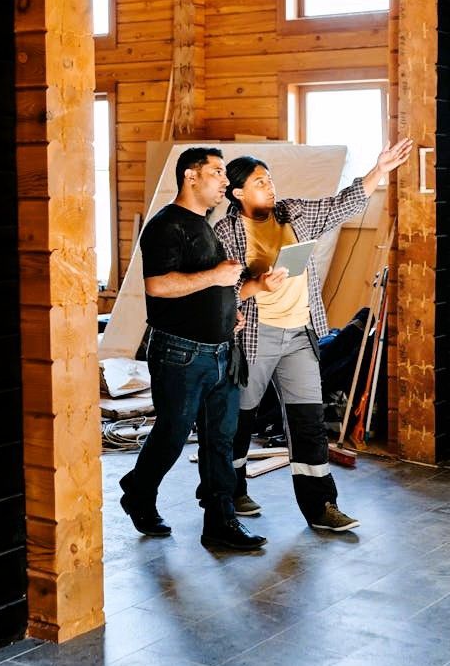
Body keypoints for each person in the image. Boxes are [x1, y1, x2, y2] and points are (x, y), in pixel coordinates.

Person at [215, 138, 412, 531]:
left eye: (269, 179)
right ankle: (230, 490)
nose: (269, 187)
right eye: (258, 182)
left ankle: (321, 507)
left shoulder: (295, 213)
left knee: (307, 420)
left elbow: (343, 203)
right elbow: (219, 288)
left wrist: (380, 170)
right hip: (255, 336)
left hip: (300, 335)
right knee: (240, 418)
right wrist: (258, 284)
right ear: (237, 193)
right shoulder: (225, 232)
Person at [118, 147, 266, 550]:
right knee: (172, 434)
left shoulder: (205, 224)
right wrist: (217, 275)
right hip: (180, 353)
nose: (224, 181)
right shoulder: (166, 226)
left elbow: (209, 287)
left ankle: (220, 523)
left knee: (221, 439)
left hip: (220, 350)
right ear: (190, 176)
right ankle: (138, 493)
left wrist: (229, 314)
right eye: (217, 172)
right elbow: (158, 285)